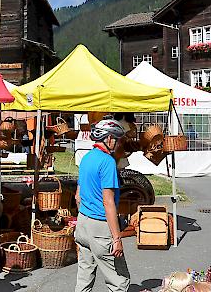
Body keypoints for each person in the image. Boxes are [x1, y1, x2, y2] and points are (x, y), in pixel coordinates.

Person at [75, 118, 130, 292]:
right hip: (100, 227)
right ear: (109, 139)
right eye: (117, 139)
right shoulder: (107, 162)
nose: (118, 144)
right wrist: (116, 238)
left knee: (84, 276)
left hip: (83, 223)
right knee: (119, 281)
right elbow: (108, 202)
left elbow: (78, 196)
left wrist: (86, 217)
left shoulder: (87, 158)